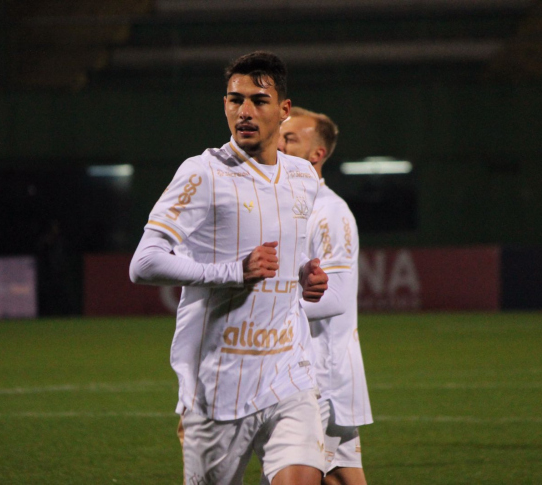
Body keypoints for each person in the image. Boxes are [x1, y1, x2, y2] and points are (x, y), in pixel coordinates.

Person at [130, 52, 328, 485]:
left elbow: (295, 257)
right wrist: (232, 272)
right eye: (235, 100)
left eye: (259, 100)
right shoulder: (202, 173)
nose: (245, 111)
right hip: (218, 387)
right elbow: (142, 263)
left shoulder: (303, 177)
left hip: (288, 376)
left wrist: (307, 277)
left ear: (284, 110)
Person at [279, 107, 373, 485]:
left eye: (290, 138)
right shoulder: (288, 207)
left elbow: (334, 299)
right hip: (299, 370)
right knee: (340, 477)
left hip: (322, 377)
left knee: (287, 476)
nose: (278, 143)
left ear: (316, 154)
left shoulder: (330, 212)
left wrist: (270, 309)